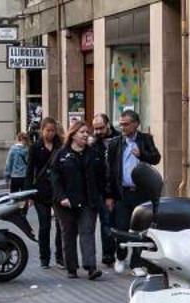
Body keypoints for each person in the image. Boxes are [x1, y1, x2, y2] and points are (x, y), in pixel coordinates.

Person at [103, 108, 161, 269]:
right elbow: (109, 171)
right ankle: (120, 256)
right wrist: (109, 195)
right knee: (122, 228)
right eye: (121, 125)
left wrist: (142, 154)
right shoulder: (115, 143)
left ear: (136, 124)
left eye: (126, 124)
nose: (123, 128)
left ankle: (137, 263)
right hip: (123, 193)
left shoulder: (145, 140)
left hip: (142, 193)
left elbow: (156, 158)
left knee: (140, 229)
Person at [50, 123, 106, 280]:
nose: (86, 135)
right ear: (73, 135)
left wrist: (103, 195)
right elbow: (55, 179)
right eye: (82, 132)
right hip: (66, 202)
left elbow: (102, 175)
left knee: (87, 232)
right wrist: (62, 197)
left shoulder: (93, 154)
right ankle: (71, 267)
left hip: (88, 200)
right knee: (69, 234)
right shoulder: (61, 155)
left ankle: (91, 267)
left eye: (87, 132)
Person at [27, 117, 62, 267]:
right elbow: (29, 171)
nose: (51, 133)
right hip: (40, 191)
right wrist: (28, 194)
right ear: (42, 130)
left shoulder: (60, 146)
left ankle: (60, 256)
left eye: (53, 130)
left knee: (61, 226)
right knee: (44, 225)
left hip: (57, 190)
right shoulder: (35, 147)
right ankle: (44, 257)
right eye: (48, 130)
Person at [89, 112, 116, 264]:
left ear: (108, 124)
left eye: (101, 128)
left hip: (118, 188)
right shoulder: (94, 143)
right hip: (100, 188)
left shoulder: (119, 138)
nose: (98, 132)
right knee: (106, 222)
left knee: (118, 223)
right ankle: (108, 255)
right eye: (95, 129)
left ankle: (119, 252)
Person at [5, 130, 31, 195]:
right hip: (25, 176)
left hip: (15, 176)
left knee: (14, 196)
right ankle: (25, 205)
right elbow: (30, 164)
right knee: (25, 196)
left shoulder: (12, 149)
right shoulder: (28, 150)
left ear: (18, 139)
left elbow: (8, 164)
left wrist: (7, 177)